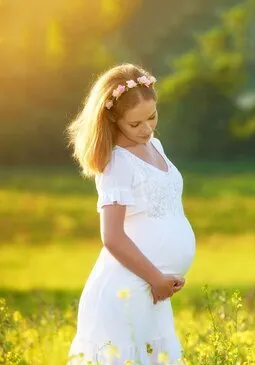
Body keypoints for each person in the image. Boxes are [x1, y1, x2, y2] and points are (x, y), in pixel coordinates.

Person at [65, 63, 196, 364]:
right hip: (127, 289)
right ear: (113, 119)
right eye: (135, 124)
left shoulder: (156, 147)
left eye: (152, 117)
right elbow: (111, 236)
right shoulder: (117, 163)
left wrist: (162, 280)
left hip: (153, 291)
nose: (147, 129)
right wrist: (155, 278)